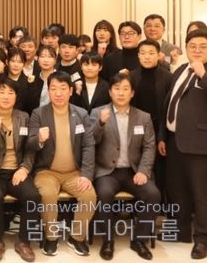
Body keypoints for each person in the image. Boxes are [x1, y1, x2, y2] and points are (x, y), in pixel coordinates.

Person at [91, 73, 159, 260]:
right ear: (110, 92)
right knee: (104, 194)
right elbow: (90, 142)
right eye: (117, 89)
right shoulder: (98, 113)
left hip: (133, 171)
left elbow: (149, 146)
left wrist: (144, 171)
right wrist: (100, 123)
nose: (121, 93)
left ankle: (139, 240)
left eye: (125, 89)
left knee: (153, 194)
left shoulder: (143, 117)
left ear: (132, 93)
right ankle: (108, 240)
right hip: (107, 172)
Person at [28, 71, 96, 257]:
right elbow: (30, 143)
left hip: (74, 172)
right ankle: (51, 237)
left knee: (89, 196)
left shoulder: (81, 114)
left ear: (71, 91)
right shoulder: (38, 114)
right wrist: (39, 139)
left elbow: (88, 145)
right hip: (47, 171)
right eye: (53, 89)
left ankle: (77, 237)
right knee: (48, 195)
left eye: (63, 88)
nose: (58, 93)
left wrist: (86, 175)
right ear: (48, 91)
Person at [158, 29, 207, 258]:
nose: (197, 50)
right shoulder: (180, 70)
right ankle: (180, 231)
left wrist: (203, 75)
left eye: (203, 46)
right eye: (192, 46)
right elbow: (168, 104)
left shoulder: (203, 71)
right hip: (173, 140)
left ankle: (202, 240)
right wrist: (162, 135)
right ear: (185, 48)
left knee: (201, 195)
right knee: (176, 190)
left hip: (200, 144)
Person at [0, 79, 40, 262]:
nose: (6, 96)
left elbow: (30, 149)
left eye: (11, 93)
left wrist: (24, 168)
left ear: (16, 97)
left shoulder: (24, 117)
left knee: (33, 196)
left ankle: (23, 241)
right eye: (2, 92)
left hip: (17, 171)